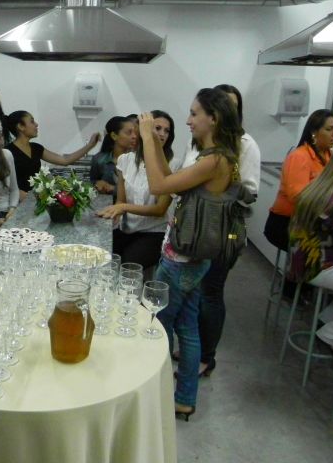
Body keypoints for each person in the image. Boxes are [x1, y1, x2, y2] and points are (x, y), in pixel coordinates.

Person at [141, 88, 243, 420]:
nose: (188, 120)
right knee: (187, 326)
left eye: (194, 113)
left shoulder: (214, 160)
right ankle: (184, 397)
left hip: (181, 260)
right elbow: (171, 180)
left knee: (159, 326)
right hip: (193, 257)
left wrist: (146, 136)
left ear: (213, 118)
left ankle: (154, 398)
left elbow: (157, 187)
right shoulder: (215, 156)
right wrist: (157, 145)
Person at [180, 84, 262, 377]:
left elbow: (250, 192)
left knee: (210, 292)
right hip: (193, 231)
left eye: (231, 106)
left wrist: (220, 184)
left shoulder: (245, 144)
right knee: (192, 291)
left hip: (222, 232)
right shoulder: (198, 141)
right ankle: (192, 347)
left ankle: (206, 356)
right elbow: (182, 176)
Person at [96, 110, 177, 268]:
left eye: (167, 131)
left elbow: (160, 209)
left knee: (128, 265)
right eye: (157, 128)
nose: (162, 134)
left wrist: (123, 207)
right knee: (101, 254)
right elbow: (121, 201)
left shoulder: (172, 164)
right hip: (127, 229)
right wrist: (112, 215)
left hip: (154, 232)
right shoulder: (125, 160)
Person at [265, 109, 333, 252]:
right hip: (288, 223)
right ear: (314, 133)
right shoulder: (300, 157)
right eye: (329, 129)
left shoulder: (331, 156)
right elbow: (298, 198)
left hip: (315, 221)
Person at [290, 150, 333, 354]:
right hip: (318, 267)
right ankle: (330, 334)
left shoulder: (319, 187)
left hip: (300, 262)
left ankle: (325, 321)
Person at [5, 110, 100, 200]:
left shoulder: (36, 148)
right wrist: (24, 196)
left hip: (36, 199)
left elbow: (65, 160)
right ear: (21, 126)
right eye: (32, 121)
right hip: (18, 203)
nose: (36, 124)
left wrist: (90, 145)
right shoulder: (7, 152)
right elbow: (5, 185)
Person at [90, 115, 139, 194]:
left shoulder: (138, 160)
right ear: (114, 136)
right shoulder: (99, 159)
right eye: (129, 132)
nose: (134, 136)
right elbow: (91, 182)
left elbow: (141, 190)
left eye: (135, 133)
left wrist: (113, 188)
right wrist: (97, 184)